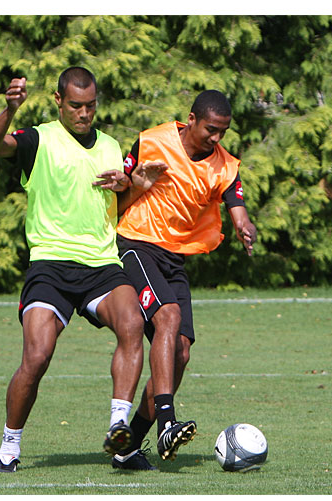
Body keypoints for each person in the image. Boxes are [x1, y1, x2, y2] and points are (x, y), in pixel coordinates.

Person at [0, 67, 158, 473]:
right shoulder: (37, 139)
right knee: (37, 356)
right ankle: (9, 445)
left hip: (102, 264)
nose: (84, 113)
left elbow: (117, 207)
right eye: (76, 105)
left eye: (90, 105)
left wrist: (131, 186)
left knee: (132, 323)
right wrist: (10, 110)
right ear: (59, 101)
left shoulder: (111, 146)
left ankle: (119, 432)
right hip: (51, 264)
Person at [108, 90, 257, 470]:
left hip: (175, 258)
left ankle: (127, 448)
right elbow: (119, 195)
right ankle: (167, 423)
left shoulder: (225, 166)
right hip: (136, 243)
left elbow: (237, 207)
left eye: (223, 132)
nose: (216, 138)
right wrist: (130, 183)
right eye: (210, 129)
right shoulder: (152, 141)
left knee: (181, 353)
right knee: (168, 316)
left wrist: (244, 226)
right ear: (191, 119)